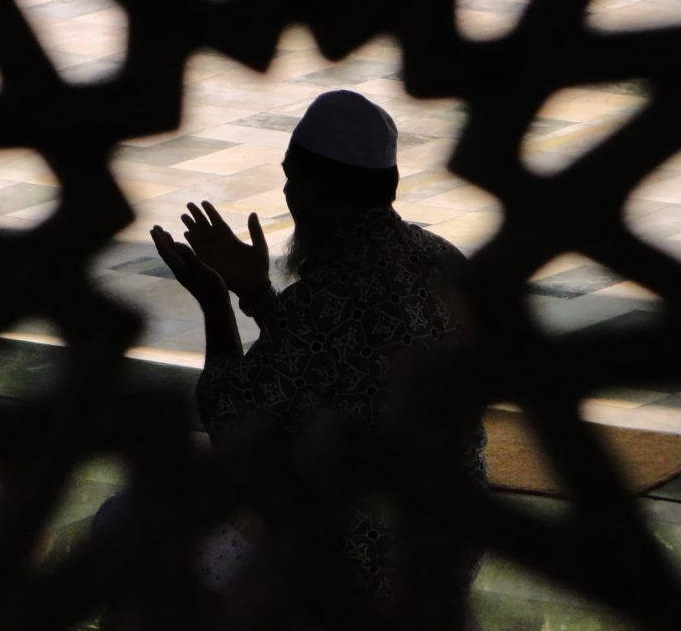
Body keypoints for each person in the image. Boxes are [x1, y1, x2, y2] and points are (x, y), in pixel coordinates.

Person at [149, 89, 487, 616]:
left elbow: (232, 420)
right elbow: (336, 363)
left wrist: (216, 300)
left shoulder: (328, 296)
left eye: (292, 177)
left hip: (357, 566)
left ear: (318, 190)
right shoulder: (444, 263)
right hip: (445, 548)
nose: (285, 192)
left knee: (138, 533)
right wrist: (258, 295)